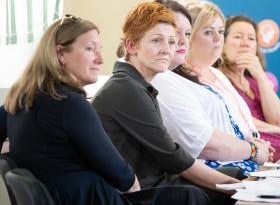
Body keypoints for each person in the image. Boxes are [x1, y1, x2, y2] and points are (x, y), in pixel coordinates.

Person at [0, 14, 211, 205]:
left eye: (99, 49)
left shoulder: (18, 99)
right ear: (61, 54)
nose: (100, 59)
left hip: (68, 196)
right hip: (93, 198)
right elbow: (123, 176)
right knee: (191, 196)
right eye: (90, 49)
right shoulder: (70, 104)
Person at [92, 1, 243, 205]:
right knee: (195, 195)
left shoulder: (138, 84)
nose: (166, 50)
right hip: (136, 192)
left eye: (171, 42)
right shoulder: (124, 88)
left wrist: (237, 183)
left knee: (235, 173)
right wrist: (241, 189)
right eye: (157, 41)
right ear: (131, 46)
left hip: (160, 181)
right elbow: (175, 158)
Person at [151, 0, 272, 173]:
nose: (217, 38)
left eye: (221, 31)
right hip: (224, 167)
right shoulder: (163, 78)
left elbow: (236, 125)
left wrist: (255, 145)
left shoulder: (217, 75)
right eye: (208, 32)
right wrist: (253, 149)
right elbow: (203, 143)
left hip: (243, 158)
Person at [215, 15, 280, 162]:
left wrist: (261, 77)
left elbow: (277, 119)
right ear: (222, 44)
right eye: (238, 37)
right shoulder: (216, 77)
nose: (245, 44)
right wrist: (277, 130)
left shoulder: (254, 81)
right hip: (252, 148)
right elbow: (236, 117)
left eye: (251, 39)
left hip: (276, 145)